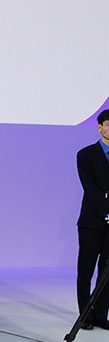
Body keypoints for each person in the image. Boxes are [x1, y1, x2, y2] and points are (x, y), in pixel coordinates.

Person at [76, 108, 109, 330]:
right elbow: (90, 188)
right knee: (86, 270)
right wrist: (106, 210)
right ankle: (85, 316)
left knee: (106, 272)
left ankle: (100, 315)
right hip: (91, 222)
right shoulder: (86, 154)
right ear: (100, 127)